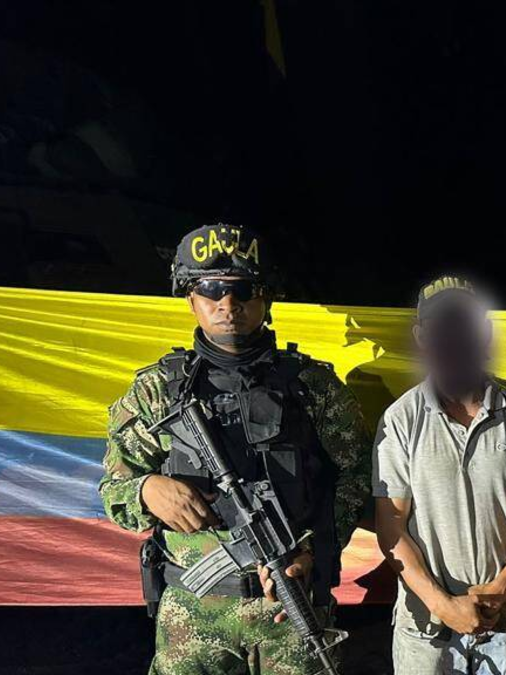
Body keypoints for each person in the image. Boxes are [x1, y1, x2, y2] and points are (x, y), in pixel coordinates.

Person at [99, 223, 371, 675]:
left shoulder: (312, 386)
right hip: (191, 615)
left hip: (290, 606)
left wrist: (314, 549)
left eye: (244, 289)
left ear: (267, 299)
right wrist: (146, 490)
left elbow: (358, 477)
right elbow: (114, 489)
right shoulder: (157, 391)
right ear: (191, 298)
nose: (228, 304)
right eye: (211, 289)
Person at [374, 276, 506, 675]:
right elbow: (391, 524)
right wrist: (443, 604)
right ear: (421, 336)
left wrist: (503, 587)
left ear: (484, 333)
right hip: (426, 629)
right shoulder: (400, 419)